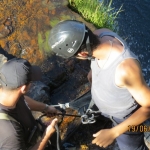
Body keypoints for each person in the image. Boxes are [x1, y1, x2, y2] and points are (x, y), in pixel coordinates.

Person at [48, 20, 150, 150]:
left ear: (82, 54)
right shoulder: (100, 34)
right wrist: (93, 71)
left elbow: (148, 106)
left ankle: (144, 130)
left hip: (124, 118)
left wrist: (114, 132)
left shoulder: (125, 68)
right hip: (109, 109)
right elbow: (95, 58)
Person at [0, 57, 60, 150]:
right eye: (31, 81)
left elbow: (23, 99)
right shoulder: (10, 133)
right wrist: (46, 136)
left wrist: (46, 108)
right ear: (23, 88)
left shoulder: (7, 90)